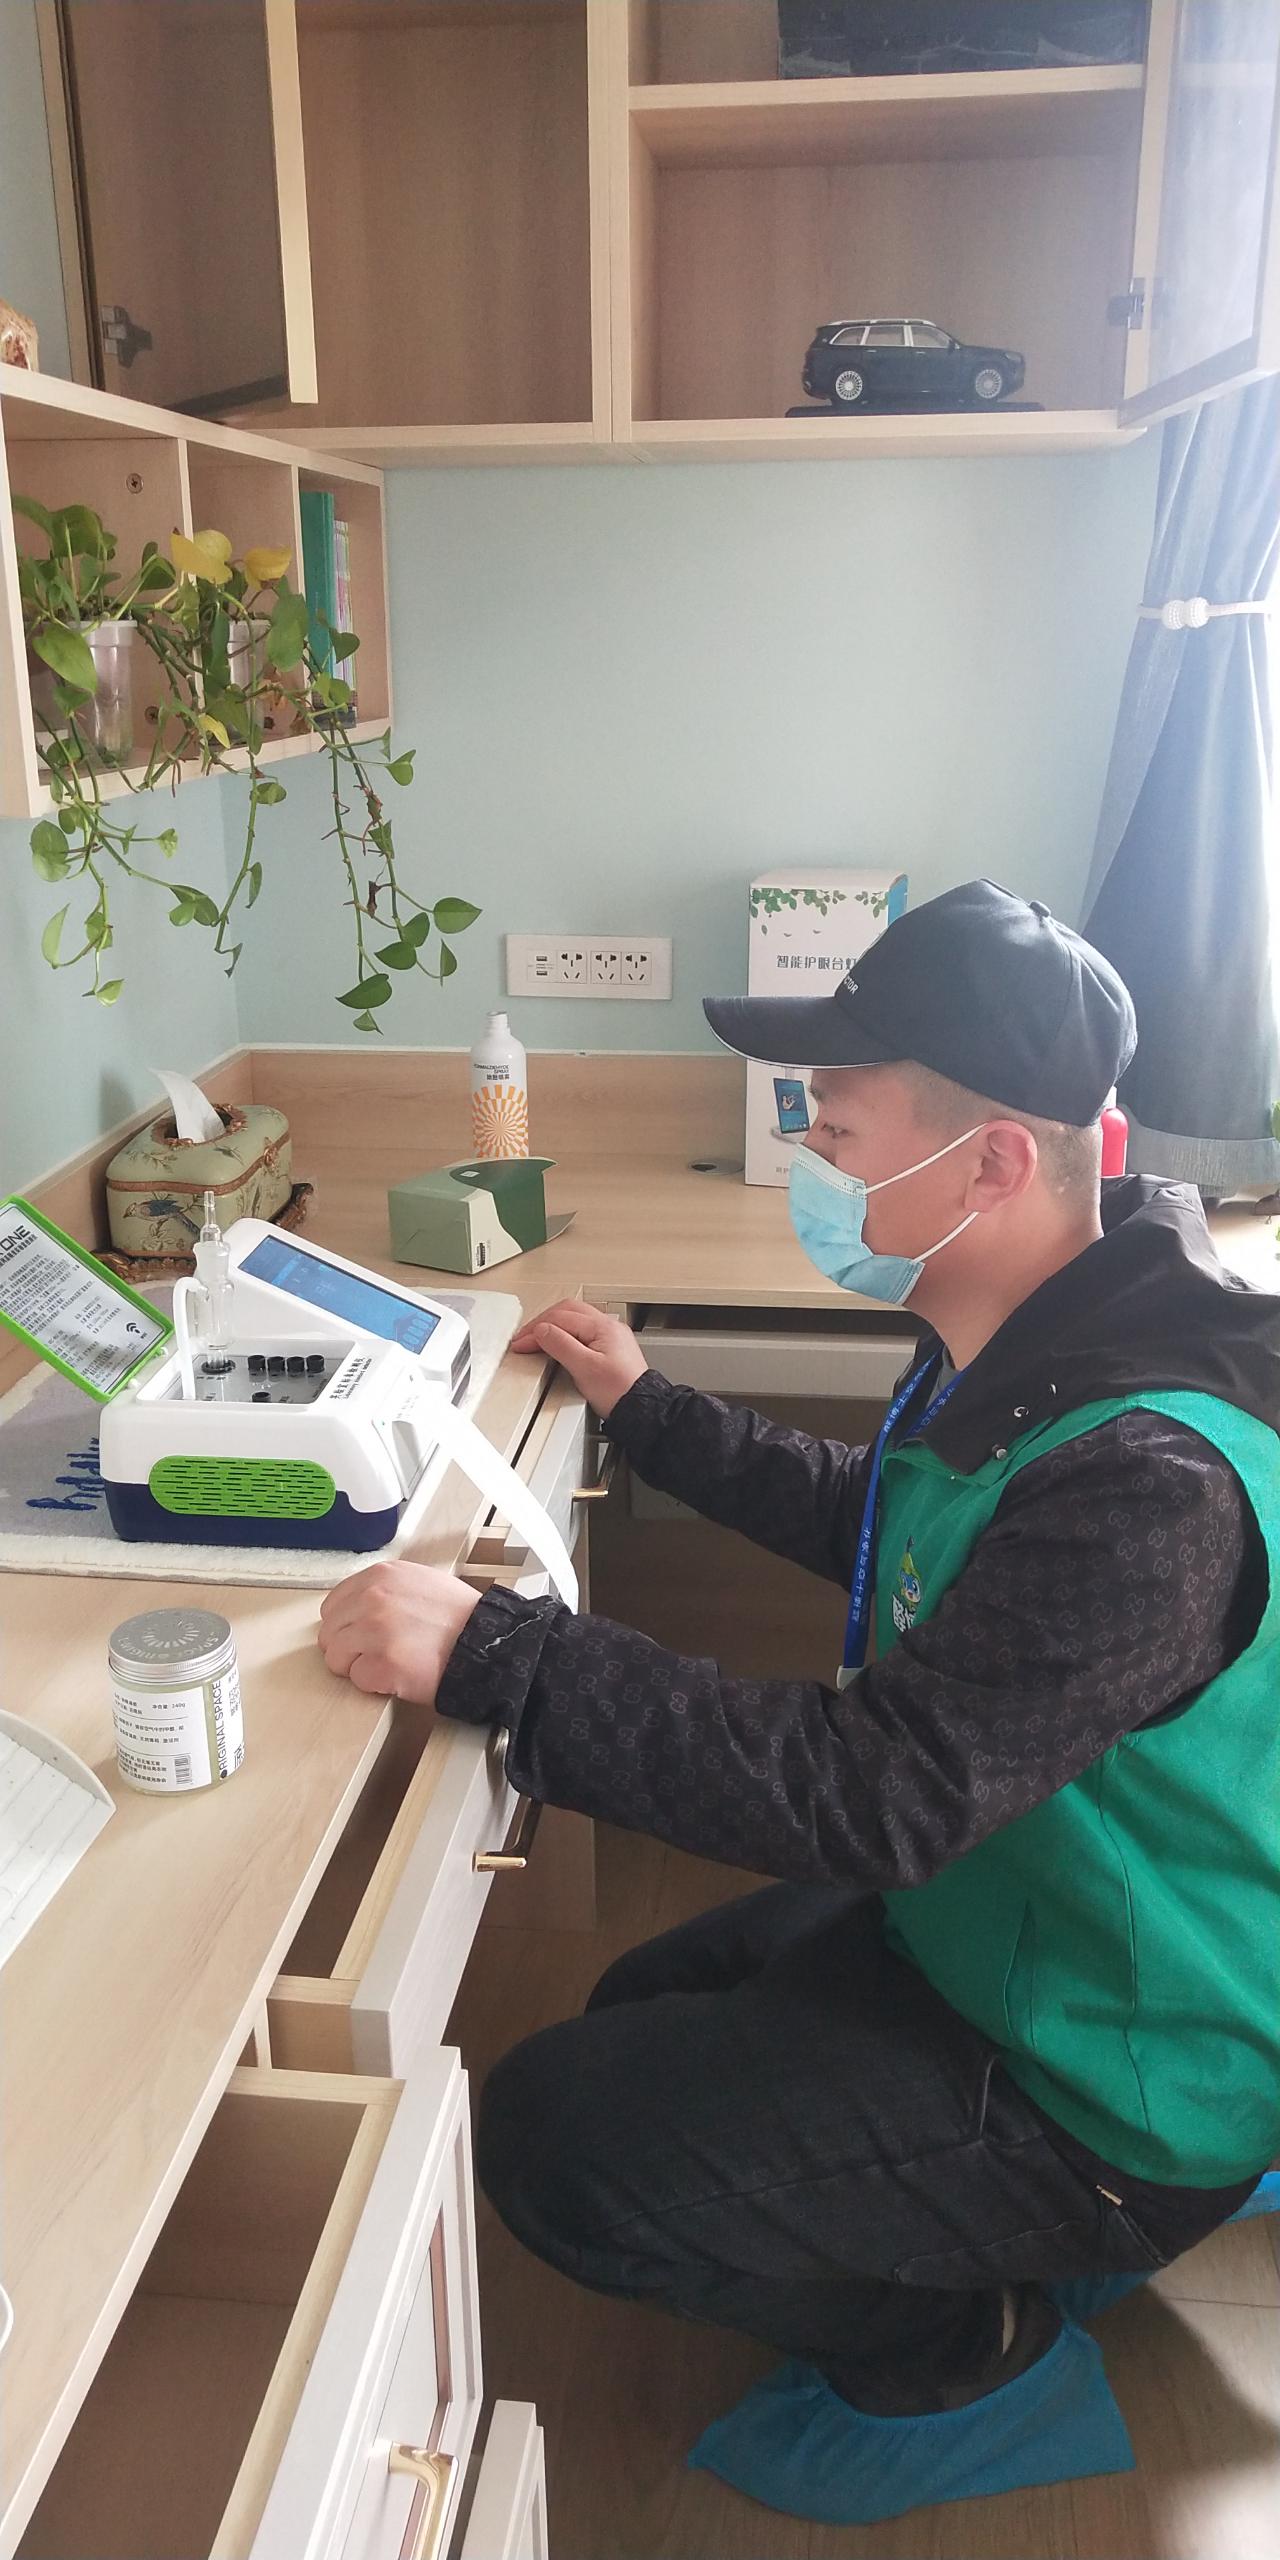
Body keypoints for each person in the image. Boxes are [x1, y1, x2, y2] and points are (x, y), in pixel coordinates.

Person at [318, 881, 1280, 2525]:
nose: (812, 1160)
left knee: (554, 2142)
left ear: (992, 1163)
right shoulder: (1056, 1319)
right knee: (637, 2007)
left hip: (1125, 2067)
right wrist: (654, 1408)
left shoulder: (1148, 1485)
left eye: (836, 1127)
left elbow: (871, 1792)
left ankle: (966, 2344)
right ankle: (938, 2218)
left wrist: (504, 1656)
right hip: (1016, 1909)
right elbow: (908, 1531)